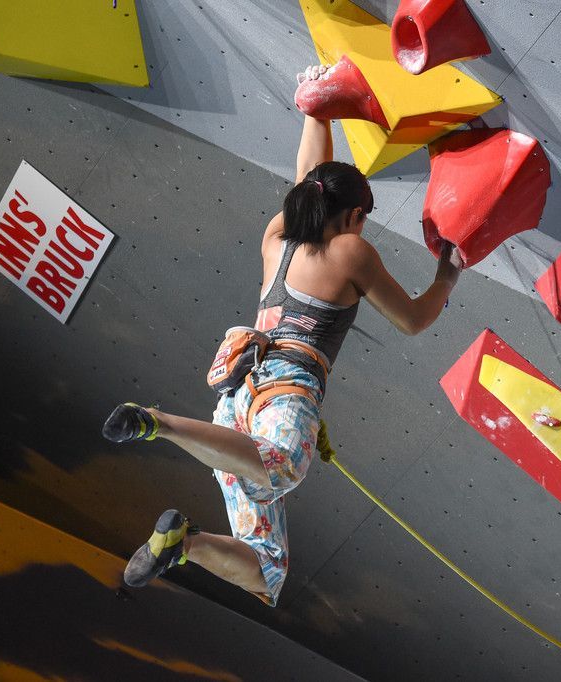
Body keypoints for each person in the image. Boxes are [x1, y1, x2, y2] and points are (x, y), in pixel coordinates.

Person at [102, 65, 460, 607]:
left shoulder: (280, 235)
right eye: (362, 218)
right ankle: (157, 422)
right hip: (279, 395)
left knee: (266, 572)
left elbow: (308, 180)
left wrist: (316, 112)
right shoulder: (349, 251)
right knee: (282, 466)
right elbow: (412, 319)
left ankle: (183, 546)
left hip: (241, 399)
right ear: (354, 214)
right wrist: (446, 278)